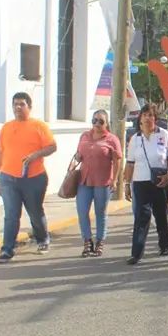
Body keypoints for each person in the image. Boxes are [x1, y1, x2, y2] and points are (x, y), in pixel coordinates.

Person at [0, 92, 58, 263]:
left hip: (34, 178)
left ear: (29, 107)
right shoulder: (6, 128)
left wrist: (35, 155)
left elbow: (52, 147)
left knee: (34, 212)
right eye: (15, 104)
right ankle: (7, 250)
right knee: (11, 214)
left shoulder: (38, 126)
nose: (18, 107)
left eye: (22, 104)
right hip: (8, 178)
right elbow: (1, 152)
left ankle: (42, 239)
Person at [125, 104, 168, 265]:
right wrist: (127, 183)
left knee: (161, 215)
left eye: (151, 115)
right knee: (141, 217)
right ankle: (137, 253)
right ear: (140, 118)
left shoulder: (164, 135)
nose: (148, 118)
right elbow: (130, 163)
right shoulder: (135, 139)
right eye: (145, 115)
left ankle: (164, 245)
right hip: (140, 182)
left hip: (161, 181)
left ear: (156, 118)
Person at [74, 109, 122, 257]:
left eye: (101, 121)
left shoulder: (112, 139)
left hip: (102, 181)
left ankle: (100, 241)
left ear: (106, 123)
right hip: (84, 180)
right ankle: (87, 241)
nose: (97, 124)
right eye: (94, 120)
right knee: (82, 211)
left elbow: (117, 160)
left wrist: (114, 180)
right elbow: (79, 154)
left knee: (100, 213)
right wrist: (77, 156)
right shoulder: (85, 136)